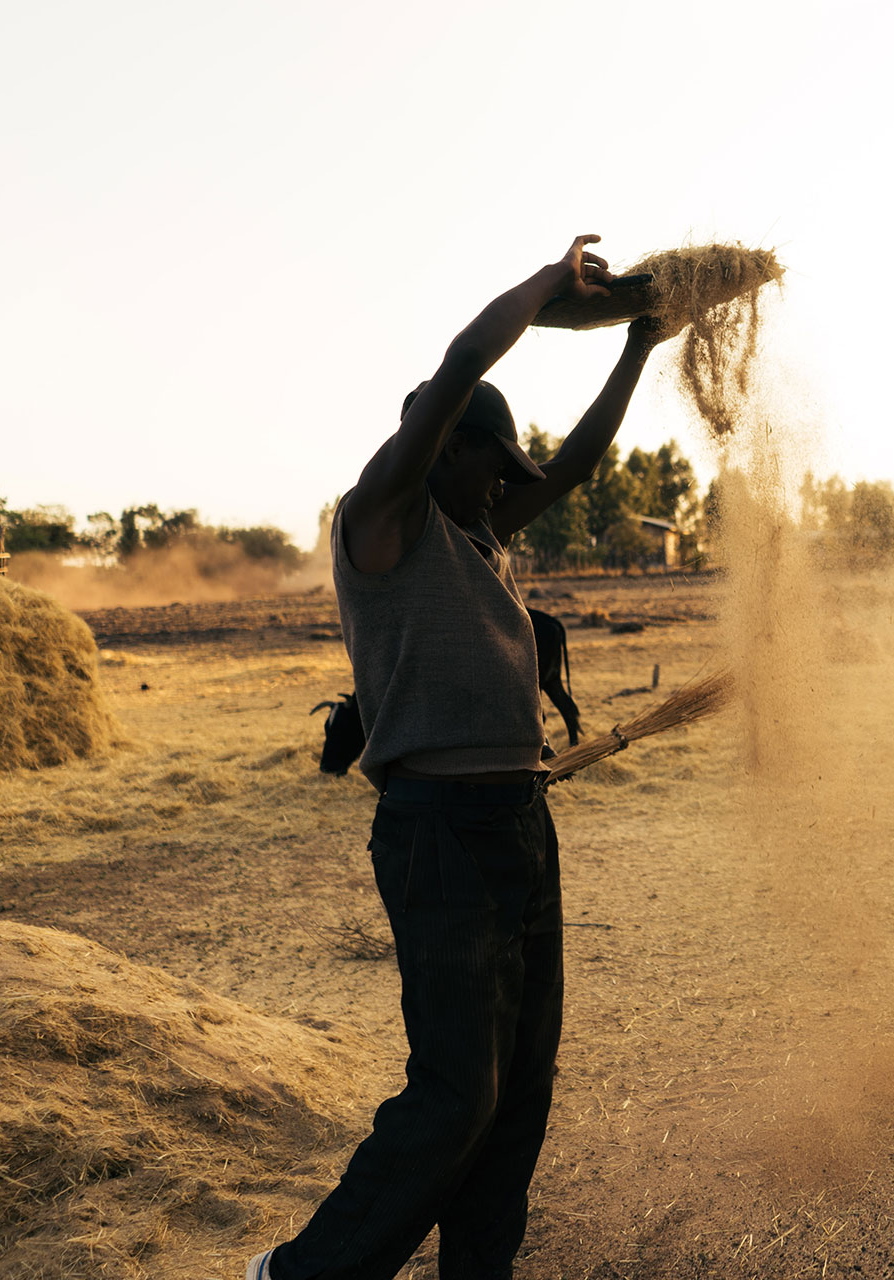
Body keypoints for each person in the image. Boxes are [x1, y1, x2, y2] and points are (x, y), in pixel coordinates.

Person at [248, 235, 668, 1280]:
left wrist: (642, 346)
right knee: (455, 1092)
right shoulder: (384, 524)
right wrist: (548, 287)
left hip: (520, 822)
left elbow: (573, 465)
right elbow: (459, 368)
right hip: (438, 833)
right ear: (443, 448)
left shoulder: (482, 534)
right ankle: (300, 1275)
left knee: (520, 1087)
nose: (508, 487)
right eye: (494, 465)